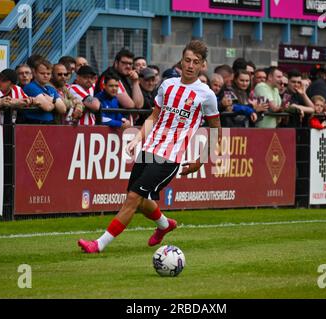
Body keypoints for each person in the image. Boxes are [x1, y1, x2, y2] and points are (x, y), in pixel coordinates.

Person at [78, 40, 221, 255]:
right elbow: (154, 116)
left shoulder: (206, 95)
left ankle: (98, 244)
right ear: (181, 61)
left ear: (203, 65)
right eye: (188, 60)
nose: (191, 65)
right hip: (149, 149)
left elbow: (215, 129)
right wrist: (137, 138)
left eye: (196, 62)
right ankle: (165, 225)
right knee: (141, 200)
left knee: (133, 199)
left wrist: (200, 161)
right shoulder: (167, 85)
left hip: (170, 156)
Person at [20, 59, 67, 124]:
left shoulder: (51, 89)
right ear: (35, 73)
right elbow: (47, 107)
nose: (46, 76)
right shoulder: (30, 87)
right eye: (42, 73)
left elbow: (63, 109)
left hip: (49, 124)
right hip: (33, 124)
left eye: (48, 73)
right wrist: (55, 102)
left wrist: (52, 100)